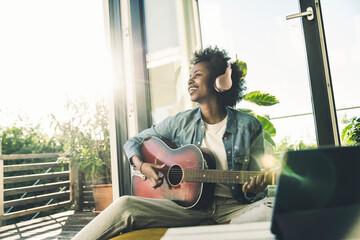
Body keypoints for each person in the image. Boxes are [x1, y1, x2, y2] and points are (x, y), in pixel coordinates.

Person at [72, 46, 274, 240]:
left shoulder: (249, 126)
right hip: (189, 209)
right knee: (125, 205)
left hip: (234, 207)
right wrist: (142, 165)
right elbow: (134, 141)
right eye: (190, 76)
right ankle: (213, 228)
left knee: (271, 207)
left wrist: (254, 190)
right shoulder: (181, 122)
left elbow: (258, 185)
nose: (189, 81)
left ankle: (217, 227)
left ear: (220, 81)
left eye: (197, 75)